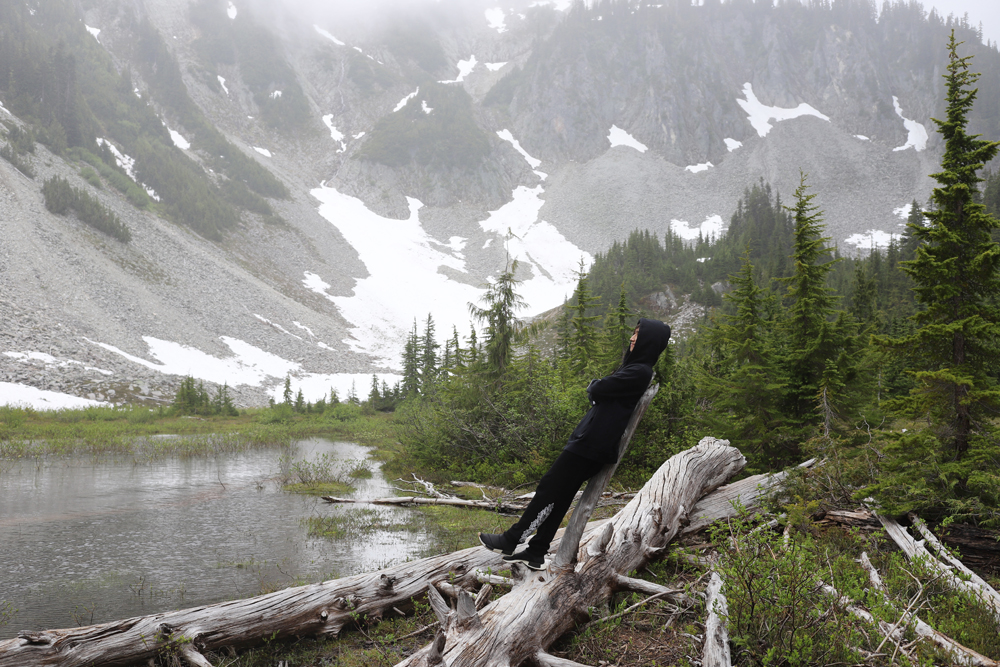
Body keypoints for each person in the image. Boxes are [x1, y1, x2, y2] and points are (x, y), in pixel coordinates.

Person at [479, 317, 672, 570]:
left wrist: (596, 388)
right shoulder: (635, 368)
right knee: (560, 496)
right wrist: (597, 390)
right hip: (591, 442)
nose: (632, 338)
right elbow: (600, 391)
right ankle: (537, 551)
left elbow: (599, 389)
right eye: (633, 333)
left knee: (549, 487)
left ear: (649, 340)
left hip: (591, 444)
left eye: (638, 334)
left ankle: (512, 538)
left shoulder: (639, 371)